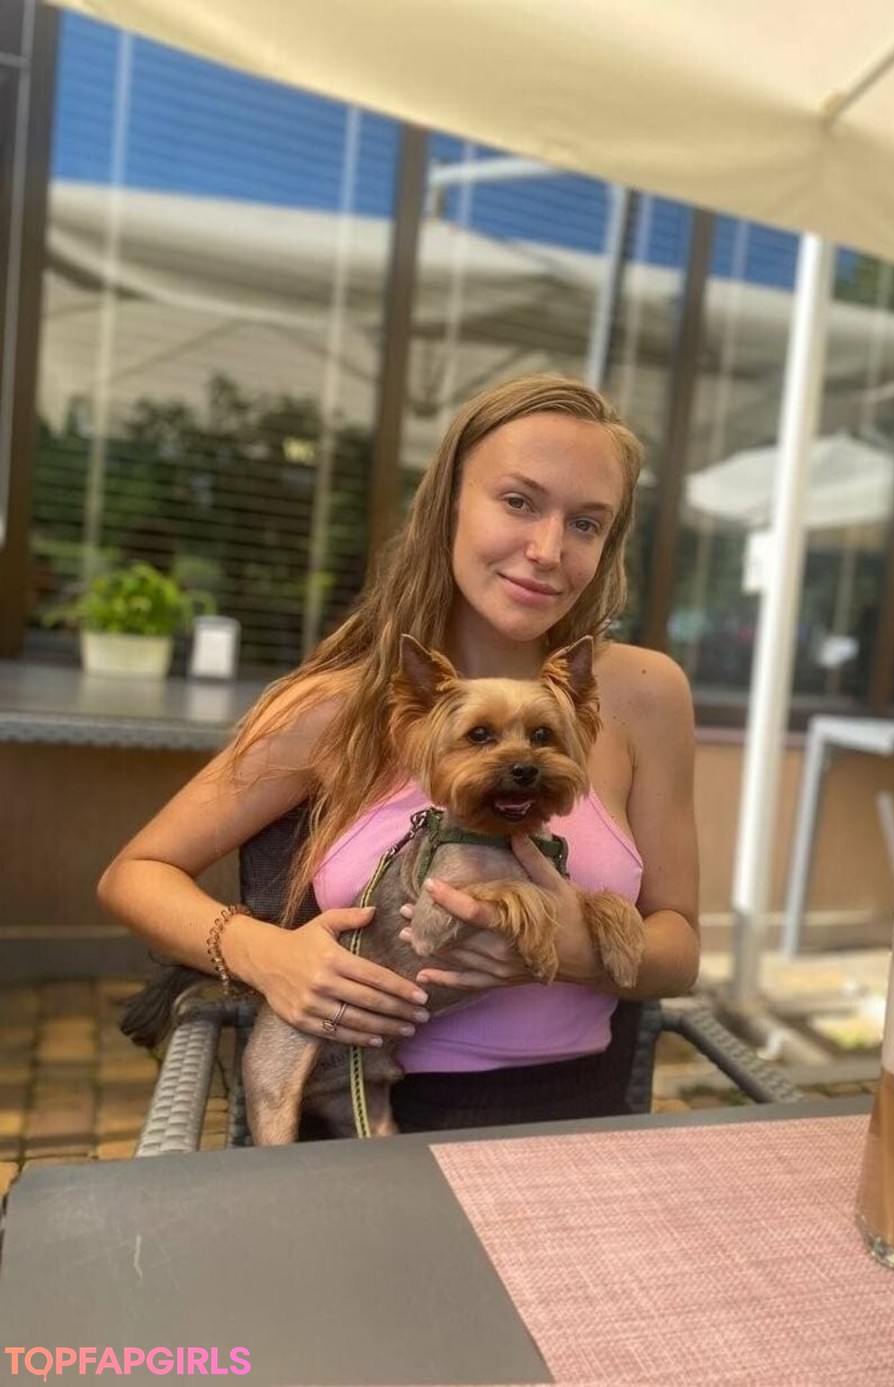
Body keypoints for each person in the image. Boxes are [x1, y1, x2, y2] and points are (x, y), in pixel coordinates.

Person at [99, 373, 700, 1132]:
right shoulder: (336, 705)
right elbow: (135, 874)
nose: (547, 550)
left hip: (579, 1116)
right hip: (367, 1114)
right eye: (519, 502)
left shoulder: (644, 693)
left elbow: (681, 946)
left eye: (586, 523)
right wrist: (264, 954)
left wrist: (579, 948)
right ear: (449, 503)